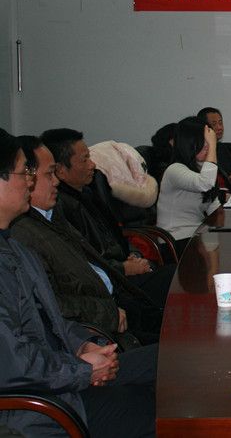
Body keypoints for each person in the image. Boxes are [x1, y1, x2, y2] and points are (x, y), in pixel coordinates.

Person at [0, 133, 156, 437]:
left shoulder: (14, 247)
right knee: (158, 411)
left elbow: (50, 318)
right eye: (24, 172)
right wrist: (82, 370)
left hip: (61, 378)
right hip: (36, 409)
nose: (30, 181)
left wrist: (84, 344)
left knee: (170, 367)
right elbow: (11, 364)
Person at [10, 136, 161, 344]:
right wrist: (109, 311)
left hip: (114, 297)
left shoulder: (55, 212)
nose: (55, 181)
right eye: (49, 173)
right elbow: (51, 304)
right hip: (98, 327)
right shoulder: (22, 234)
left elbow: (95, 259)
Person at [40, 128, 175, 307]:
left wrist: (132, 255)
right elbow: (83, 263)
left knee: (180, 275)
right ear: (61, 170)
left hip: (121, 270)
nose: (92, 165)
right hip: (112, 285)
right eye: (85, 159)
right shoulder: (60, 208)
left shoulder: (89, 191)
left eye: (90, 157)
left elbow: (116, 234)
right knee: (177, 279)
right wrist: (123, 268)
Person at [157, 116, 224, 256]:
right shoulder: (174, 170)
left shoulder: (200, 168)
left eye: (209, 142)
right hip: (176, 240)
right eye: (204, 142)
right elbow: (204, 184)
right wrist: (213, 146)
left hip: (197, 235)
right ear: (188, 143)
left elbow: (214, 207)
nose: (207, 146)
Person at [197, 107, 231, 193]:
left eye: (220, 123)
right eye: (214, 124)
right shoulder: (199, 152)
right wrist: (229, 180)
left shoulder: (221, 148)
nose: (219, 128)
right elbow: (205, 183)